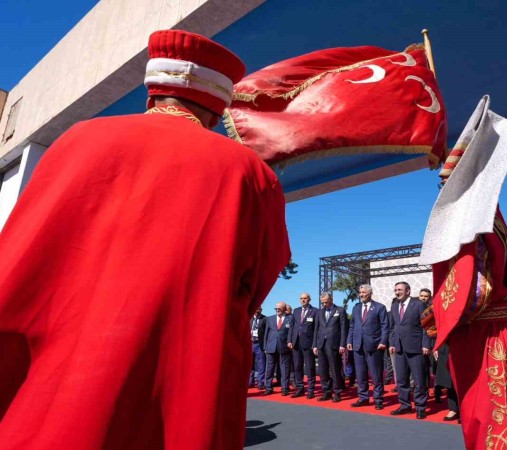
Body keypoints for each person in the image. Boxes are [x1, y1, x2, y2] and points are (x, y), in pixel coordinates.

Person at [0, 29, 290, 450]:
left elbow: (18, 253)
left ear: (153, 92)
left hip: (45, 381)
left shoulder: (77, 139)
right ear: (216, 107)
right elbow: (260, 277)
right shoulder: (249, 170)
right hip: (169, 385)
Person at [389, 281, 433, 419]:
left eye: (400, 290)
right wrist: (392, 343)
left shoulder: (419, 304)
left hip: (416, 348)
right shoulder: (395, 306)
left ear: (408, 291)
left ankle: (420, 407)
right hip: (400, 348)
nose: (397, 292)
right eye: (395, 290)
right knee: (402, 380)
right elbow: (393, 327)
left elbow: (426, 325)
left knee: (419, 380)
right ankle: (405, 405)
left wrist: (426, 344)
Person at [348, 284, 389, 410]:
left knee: (376, 375)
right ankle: (363, 398)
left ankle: (378, 399)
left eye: (364, 292)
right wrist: (349, 340)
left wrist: (383, 341)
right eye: (360, 292)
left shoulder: (379, 307)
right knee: (360, 375)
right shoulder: (356, 308)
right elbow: (352, 326)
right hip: (357, 346)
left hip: (374, 346)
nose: (361, 294)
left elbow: (385, 326)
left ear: (370, 293)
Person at [312, 292, 348, 402]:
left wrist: (342, 344)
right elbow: (316, 329)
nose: (324, 304)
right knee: (323, 370)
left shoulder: (340, 310)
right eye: (322, 302)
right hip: (321, 344)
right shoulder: (319, 312)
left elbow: (343, 329)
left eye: (326, 302)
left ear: (331, 299)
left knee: (335, 369)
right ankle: (326, 392)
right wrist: (314, 345)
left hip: (334, 344)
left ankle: (337, 392)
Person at [288, 293, 317, 398]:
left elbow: (316, 329)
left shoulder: (315, 311)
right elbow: (292, 326)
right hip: (296, 342)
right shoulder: (296, 311)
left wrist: (315, 344)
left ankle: (310, 390)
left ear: (309, 299)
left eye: (305, 298)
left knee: (309, 367)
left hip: (308, 343)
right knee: (297, 366)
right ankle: (300, 388)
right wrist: (289, 340)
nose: (303, 300)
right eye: (301, 298)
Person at [264, 302, 294, 396]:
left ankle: (285, 387)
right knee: (269, 368)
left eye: (279, 309)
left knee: (284, 368)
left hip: (284, 347)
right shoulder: (270, 318)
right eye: (276, 308)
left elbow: (291, 332)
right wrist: (265, 347)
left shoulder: (290, 318)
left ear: (285, 309)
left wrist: (290, 343)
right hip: (271, 347)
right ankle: (268, 387)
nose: (277, 310)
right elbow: (266, 333)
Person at [419, 287, 442, 401]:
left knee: (436, 369)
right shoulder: (415, 308)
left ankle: (438, 393)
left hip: (434, 342)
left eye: (426, 296)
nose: (423, 298)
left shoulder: (434, 309)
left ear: (430, 298)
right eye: (421, 296)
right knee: (423, 369)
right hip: (420, 343)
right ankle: (425, 392)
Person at [434, 342, 460, 422]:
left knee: (463, 377)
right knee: (448, 379)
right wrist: (436, 346)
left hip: (465, 342)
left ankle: (465, 410)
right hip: (446, 345)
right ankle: (453, 409)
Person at [250, 307, 267, 389]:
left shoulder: (265, 319)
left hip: (259, 344)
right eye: (256, 309)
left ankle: (260, 383)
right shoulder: (249, 318)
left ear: (261, 310)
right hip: (250, 343)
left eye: (259, 309)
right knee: (250, 363)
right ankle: (250, 382)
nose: (257, 311)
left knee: (261, 364)